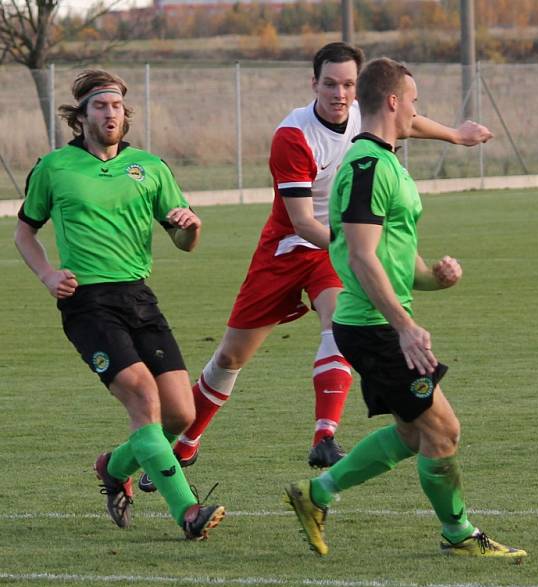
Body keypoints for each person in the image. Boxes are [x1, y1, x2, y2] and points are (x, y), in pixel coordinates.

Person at [142, 42, 493, 492]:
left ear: (360, 90)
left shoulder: (366, 123)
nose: (339, 93)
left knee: (339, 319)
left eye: (348, 84)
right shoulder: (294, 135)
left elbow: (409, 119)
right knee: (231, 357)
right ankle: (187, 441)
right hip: (289, 246)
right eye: (330, 83)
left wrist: (456, 136)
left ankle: (325, 435)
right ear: (314, 84)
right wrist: (353, 242)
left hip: (338, 248)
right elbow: (302, 220)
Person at [283, 57, 526, 560]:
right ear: (394, 102)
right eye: (414, 101)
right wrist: (406, 328)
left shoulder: (387, 163)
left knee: (413, 433)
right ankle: (458, 533)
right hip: (374, 327)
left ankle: (317, 493)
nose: (417, 111)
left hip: (378, 323)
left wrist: (434, 278)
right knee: (443, 430)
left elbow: (396, 263)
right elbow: (359, 256)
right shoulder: (369, 168)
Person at [14, 69, 225, 541]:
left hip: (139, 297)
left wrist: (191, 226)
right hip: (88, 303)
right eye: (100, 107)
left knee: (180, 415)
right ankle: (188, 512)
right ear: (81, 116)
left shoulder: (150, 168)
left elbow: (183, 240)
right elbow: (24, 230)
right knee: (144, 401)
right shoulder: (55, 167)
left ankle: (114, 466)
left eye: (116, 107)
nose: (110, 114)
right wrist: (49, 274)